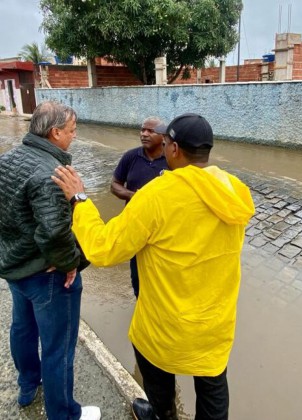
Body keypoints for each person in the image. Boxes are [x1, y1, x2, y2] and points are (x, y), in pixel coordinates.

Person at [52, 113, 255, 420]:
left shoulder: (156, 196)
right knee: (212, 384)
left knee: (157, 374)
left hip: (166, 323)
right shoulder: (234, 190)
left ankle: (161, 414)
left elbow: (104, 249)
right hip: (215, 322)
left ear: (172, 149)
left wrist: (80, 199)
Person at [0, 101, 101, 420]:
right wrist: (72, 263)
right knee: (58, 348)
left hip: (16, 267)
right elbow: (54, 232)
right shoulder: (53, 174)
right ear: (55, 133)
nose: (74, 136)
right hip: (47, 275)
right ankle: (65, 414)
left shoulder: (8, 159)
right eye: (72, 131)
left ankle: (28, 385)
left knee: (23, 329)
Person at [111, 117, 168, 298]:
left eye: (150, 131)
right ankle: (140, 303)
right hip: (135, 226)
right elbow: (115, 185)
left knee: (162, 272)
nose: (144, 134)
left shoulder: (172, 160)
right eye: (142, 130)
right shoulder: (130, 157)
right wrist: (134, 196)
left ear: (163, 137)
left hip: (164, 229)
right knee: (137, 273)